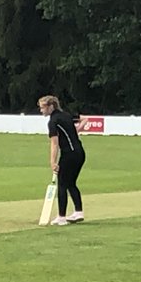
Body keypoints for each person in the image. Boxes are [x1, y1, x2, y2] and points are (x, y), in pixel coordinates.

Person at [40, 95, 89, 226]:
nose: (41, 110)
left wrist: (52, 162)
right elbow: (85, 119)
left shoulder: (53, 121)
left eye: (43, 107)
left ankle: (61, 217)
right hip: (80, 153)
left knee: (62, 184)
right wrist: (75, 130)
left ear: (51, 106)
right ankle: (78, 212)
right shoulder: (66, 115)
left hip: (69, 155)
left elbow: (54, 144)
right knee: (71, 183)